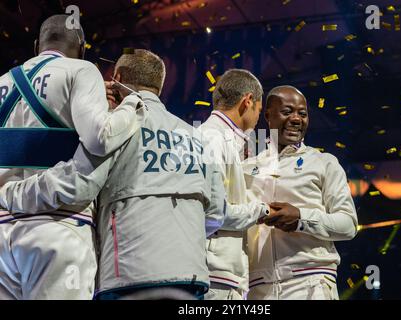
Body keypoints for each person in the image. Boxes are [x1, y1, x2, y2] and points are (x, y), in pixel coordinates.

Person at [0, 49, 226, 300]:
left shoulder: (117, 126)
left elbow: (77, 184)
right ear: (159, 86)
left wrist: (11, 193)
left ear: (116, 76)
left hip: (128, 277)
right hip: (190, 278)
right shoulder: (198, 138)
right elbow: (216, 213)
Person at [0, 15, 140, 300]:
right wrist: (132, 106)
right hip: (57, 227)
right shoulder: (82, 70)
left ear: (37, 44)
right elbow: (100, 138)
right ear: (83, 47)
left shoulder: (1, 82)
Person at [242, 85, 358, 300]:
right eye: (287, 112)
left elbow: (348, 225)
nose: (296, 119)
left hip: (310, 282)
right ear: (268, 115)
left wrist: (301, 218)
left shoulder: (324, 162)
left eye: (302, 114)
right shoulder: (246, 166)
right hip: (258, 288)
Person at [199, 69, 270, 300]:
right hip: (216, 277)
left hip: (218, 275)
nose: (259, 117)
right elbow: (213, 212)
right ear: (248, 101)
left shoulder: (216, 137)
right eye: (259, 109)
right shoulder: (213, 138)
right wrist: (261, 210)